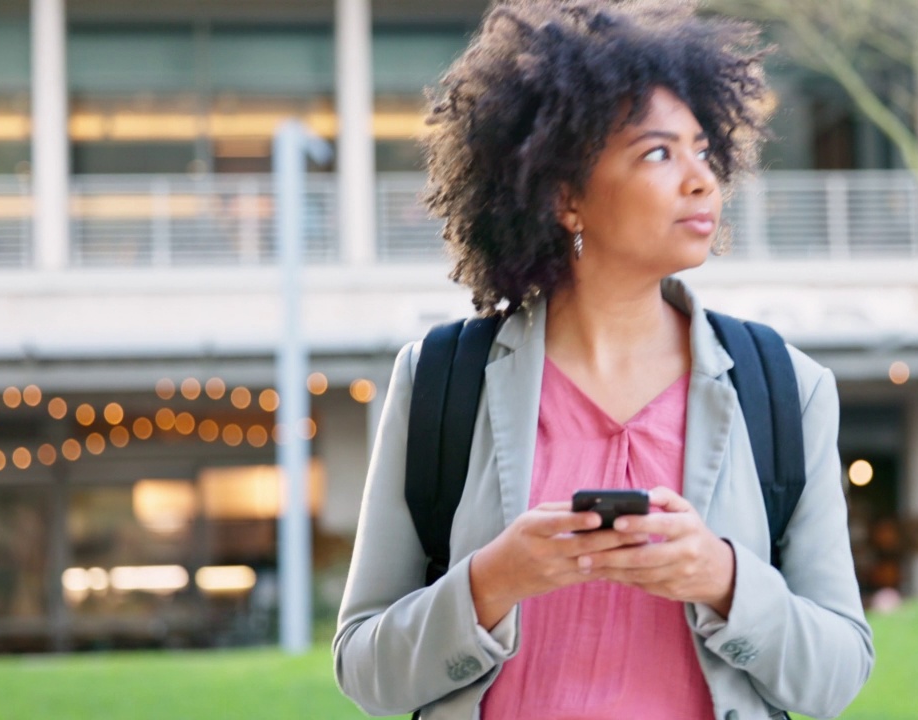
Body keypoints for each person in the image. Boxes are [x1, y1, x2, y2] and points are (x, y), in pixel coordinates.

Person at [333, 1, 875, 718]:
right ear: (565, 196)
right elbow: (366, 671)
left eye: (703, 151)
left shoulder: (786, 389)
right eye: (658, 152)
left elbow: (837, 676)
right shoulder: (438, 381)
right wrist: (494, 579)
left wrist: (722, 577)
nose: (701, 180)